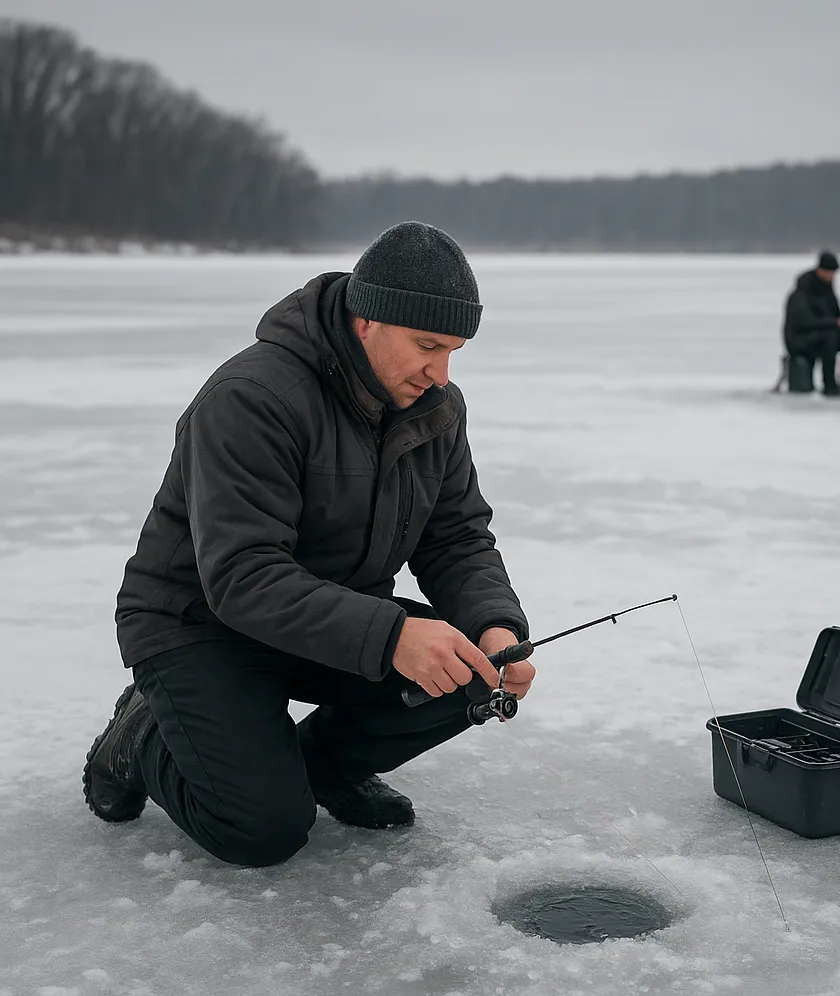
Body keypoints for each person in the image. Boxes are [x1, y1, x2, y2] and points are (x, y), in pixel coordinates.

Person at [83, 222, 536, 868]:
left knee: (465, 674)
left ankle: (319, 769)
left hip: (326, 621)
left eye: (453, 352)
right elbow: (242, 575)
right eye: (427, 346)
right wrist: (391, 636)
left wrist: (494, 627)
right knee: (262, 830)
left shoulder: (435, 408)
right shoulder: (254, 398)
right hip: (199, 626)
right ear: (367, 322)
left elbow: (456, 537)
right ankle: (141, 735)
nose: (440, 374)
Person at [782, 251, 840, 396]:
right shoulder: (801, 292)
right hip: (799, 340)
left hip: (824, 334)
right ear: (820, 270)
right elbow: (804, 322)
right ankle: (829, 385)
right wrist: (835, 323)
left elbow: (835, 314)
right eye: (830, 272)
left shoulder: (828, 291)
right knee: (830, 338)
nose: (832, 276)